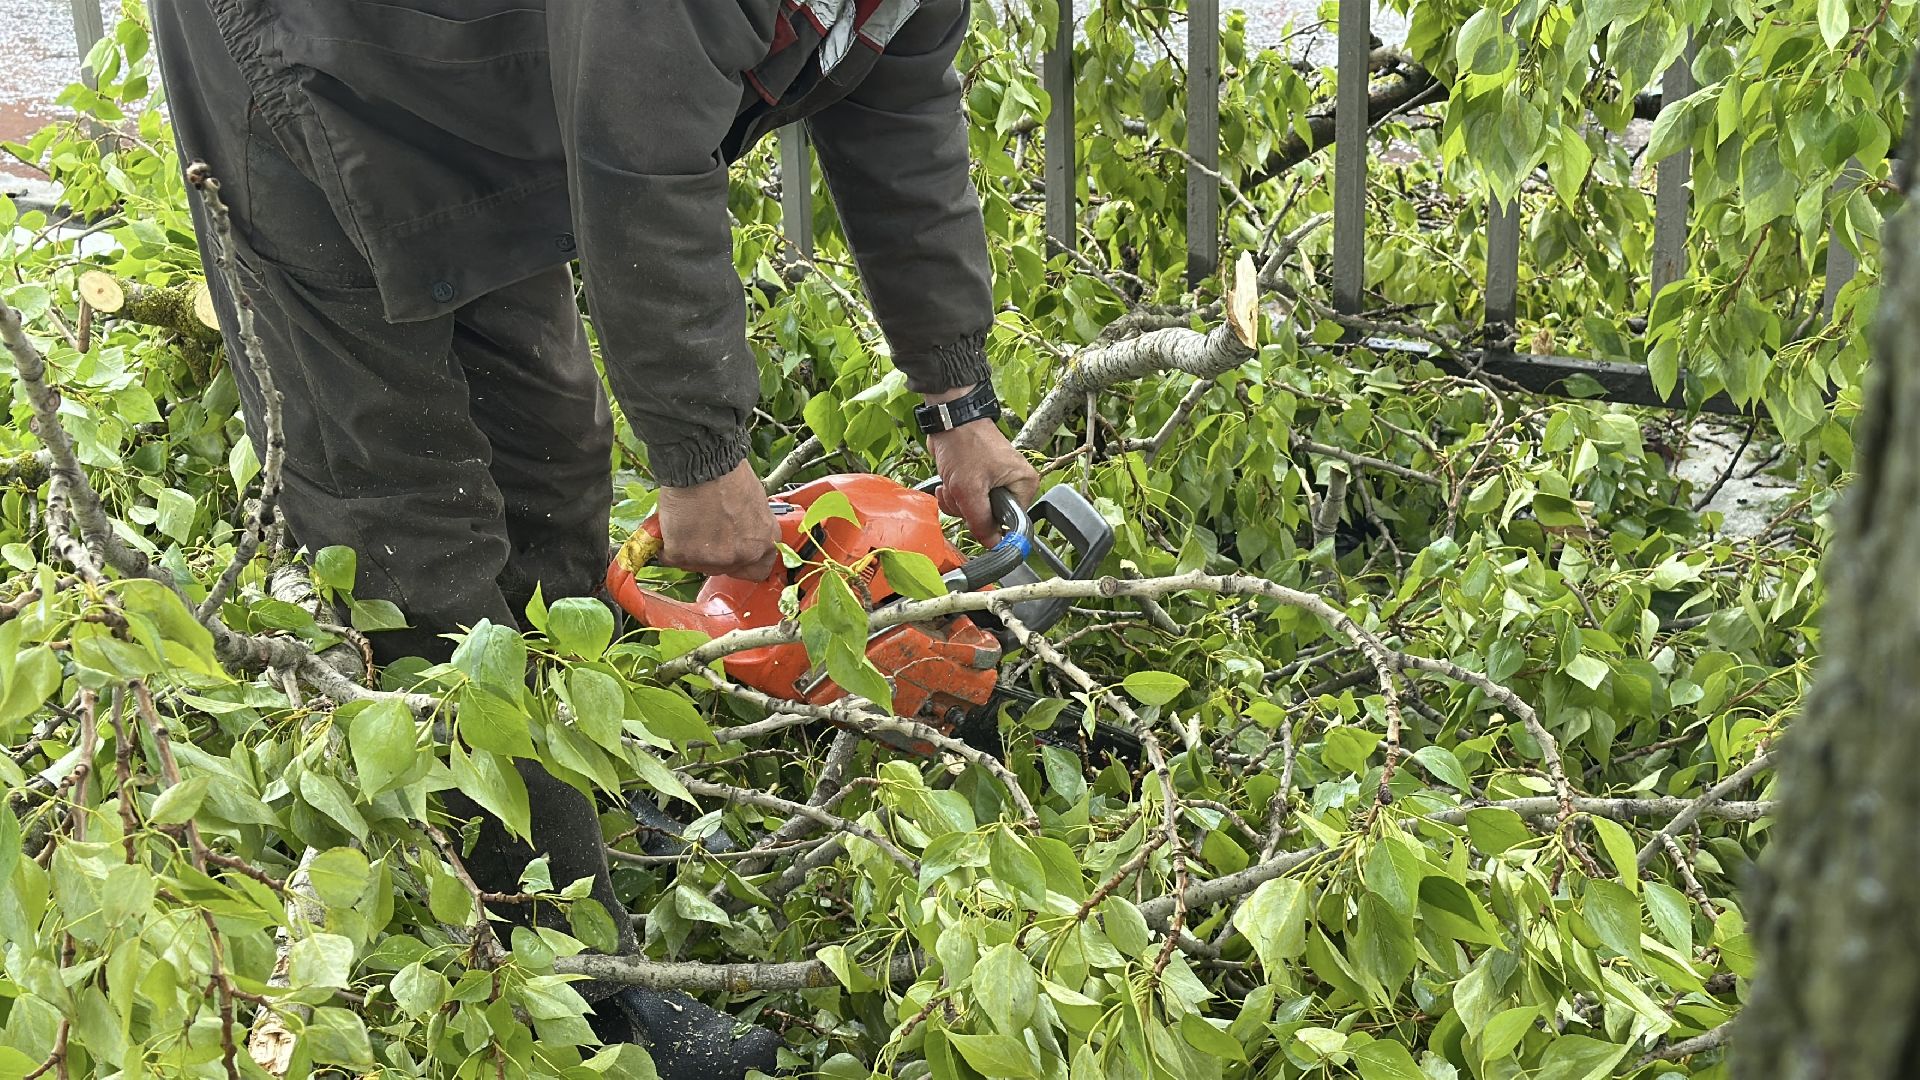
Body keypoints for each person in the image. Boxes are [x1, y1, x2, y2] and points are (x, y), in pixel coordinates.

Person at [147, 1, 1040, 1076]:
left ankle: (574, 799)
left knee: (553, 450)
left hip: (477, 64)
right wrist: (703, 457)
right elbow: (642, 153)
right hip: (307, 43)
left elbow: (900, 117)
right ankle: (566, 986)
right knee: (409, 519)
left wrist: (959, 396)